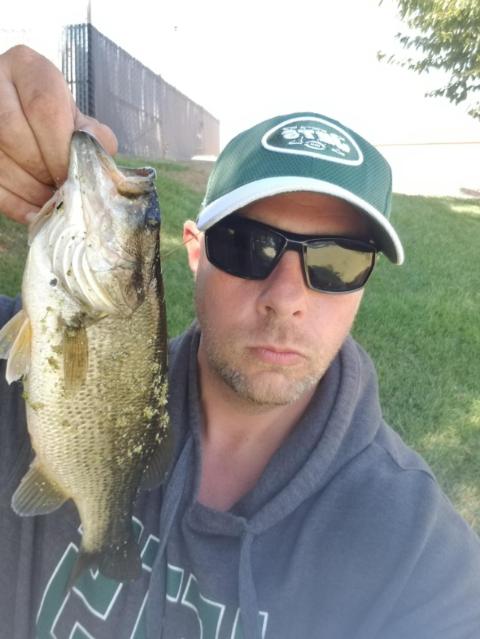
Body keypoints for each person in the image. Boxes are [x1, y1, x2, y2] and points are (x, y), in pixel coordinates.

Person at [0, 45, 479, 639]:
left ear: (365, 281)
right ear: (194, 250)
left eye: (337, 260)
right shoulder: (23, 375)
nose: (287, 296)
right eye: (250, 246)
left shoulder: (417, 556)